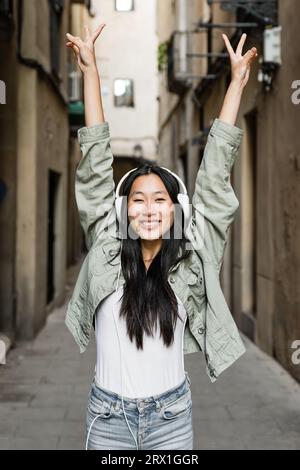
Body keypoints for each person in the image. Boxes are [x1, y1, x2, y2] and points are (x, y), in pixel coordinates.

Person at [65, 24, 258, 450]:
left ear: (175, 210)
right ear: (123, 209)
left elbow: (214, 178)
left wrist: (236, 85)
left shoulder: (192, 259)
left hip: (171, 418)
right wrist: (91, 72)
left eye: (159, 200)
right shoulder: (106, 248)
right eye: (138, 200)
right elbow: (96, 163)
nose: (149, 209)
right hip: (108, 417)